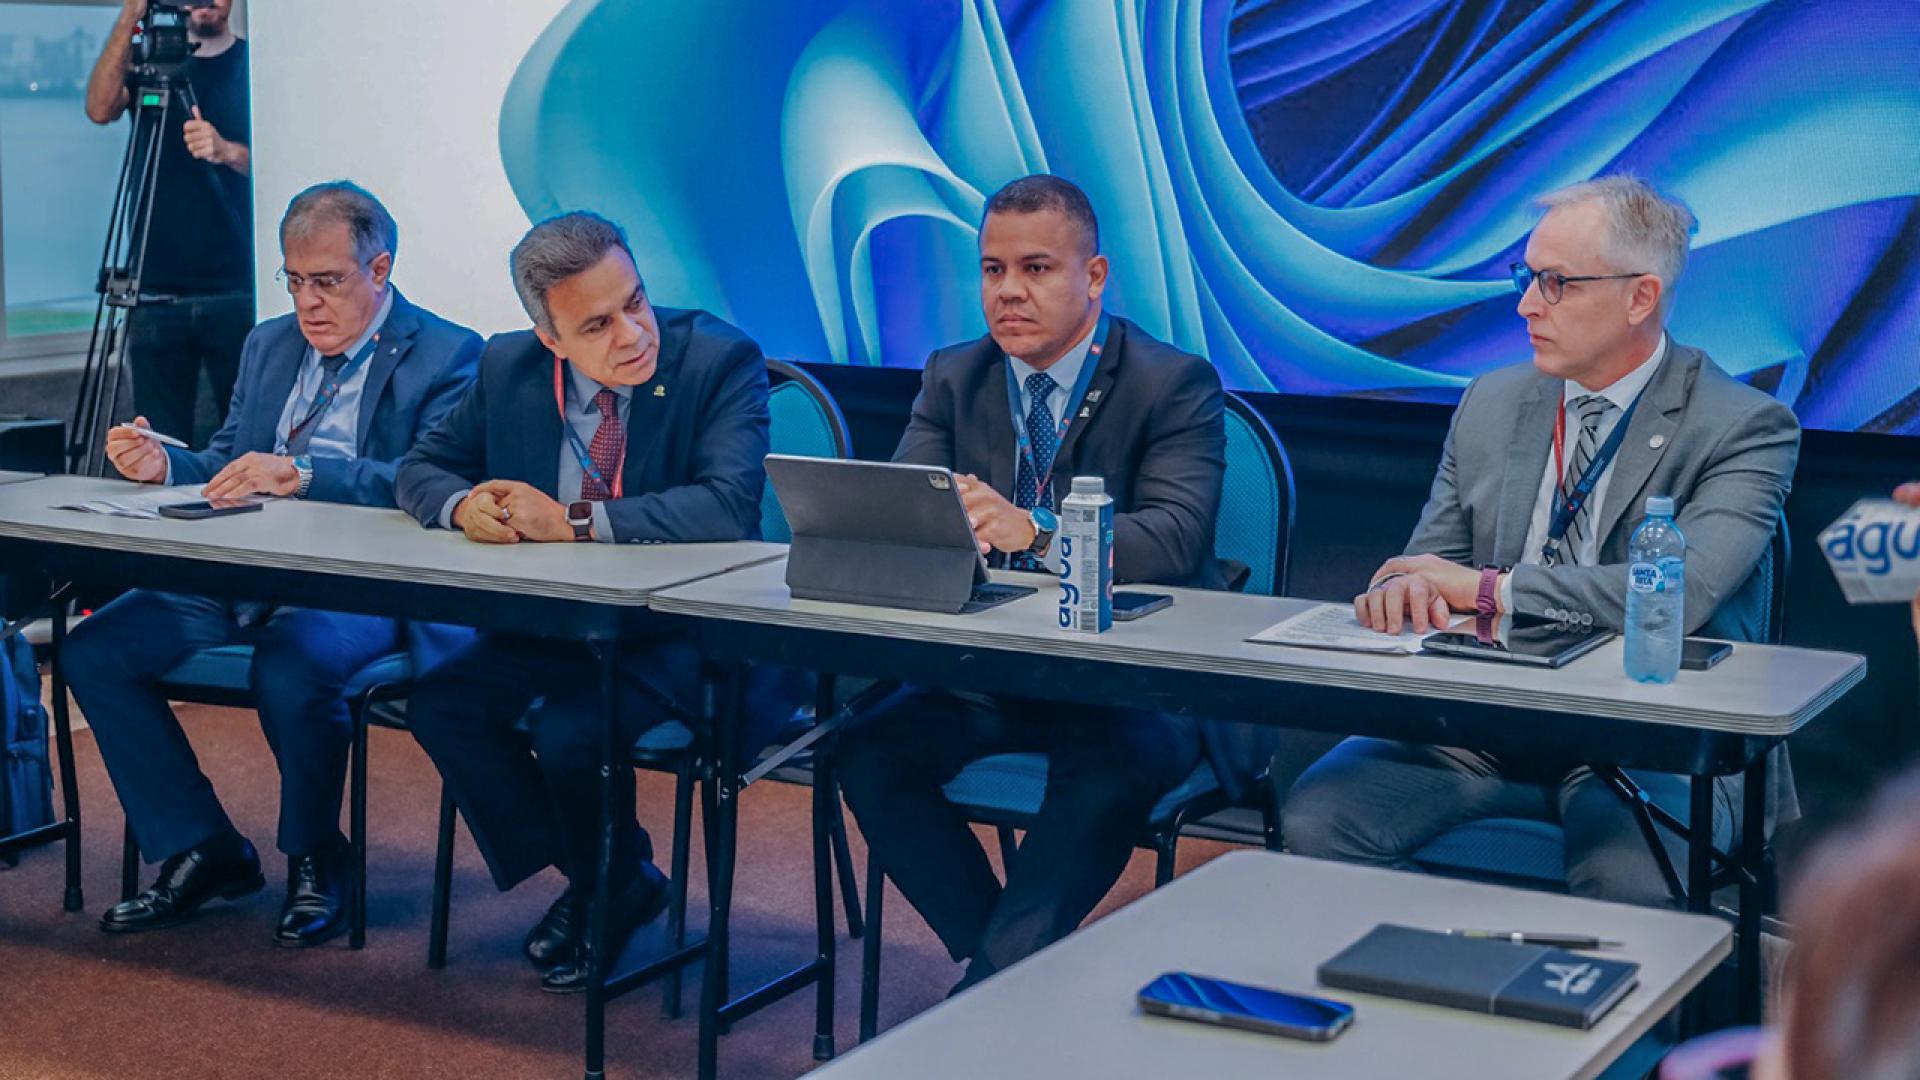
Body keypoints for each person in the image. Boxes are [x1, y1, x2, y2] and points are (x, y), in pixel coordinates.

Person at [1283, 175, 1802, 906]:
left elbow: (1676, 597)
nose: (1527, 304)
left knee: (1631, 879)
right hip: (1485, 722)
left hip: (1649, 736)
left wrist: (1493, 590)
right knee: (1317, 818)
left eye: (1556, 283)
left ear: (1640, 298)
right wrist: (1405, 591)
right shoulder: (1491, 402)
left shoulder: (1743, 425)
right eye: (1525, 277)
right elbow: (1431, 565)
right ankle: (1445, 996)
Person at [834, 174, 1228, 995]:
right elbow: (912, 511)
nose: (1008, 291)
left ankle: (990, 992)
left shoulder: (1173, 382)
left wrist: (1036, 531)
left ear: (1094, 277)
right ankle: (1007, 978)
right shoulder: (953, 375)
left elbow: (1177, 535)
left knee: (1108, 773)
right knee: (865, 753)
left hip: (1127, 684)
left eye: (1037, 268)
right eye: (991, 269)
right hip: (993, 670)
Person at [63, 181, 482, 945]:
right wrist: (167, 465)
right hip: (242, 568)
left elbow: (431, 480)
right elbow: (228, 460)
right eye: (293, 281)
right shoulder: (268, 343)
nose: (308, 302)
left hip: (356, 585)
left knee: (291, 669)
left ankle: (318, 855)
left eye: (328, 281)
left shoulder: (450, 354)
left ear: (381, 270)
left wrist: (310, 476)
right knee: (95, 649)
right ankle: (206, 846)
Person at [394, 212, 772, 993]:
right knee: (441, 706)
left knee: (572, 732)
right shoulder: (507, 368)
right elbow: (423, 466)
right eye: (597, 325)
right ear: (552, 340)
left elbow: (727, 507)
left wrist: (569, 521)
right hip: (554, 625)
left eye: (635, 302)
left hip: (677, 632)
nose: (633, 333)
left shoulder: (717, 359)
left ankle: (604, 887)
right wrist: (463, 505)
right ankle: (610, 878)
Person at [85, 0, 255, 449]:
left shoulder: (253, 64)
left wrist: (227, 152)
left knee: (249, 440)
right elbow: (100, 109)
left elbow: (288, 162)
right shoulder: (147, 63)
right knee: (159, 444)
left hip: (238, 288)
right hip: (156, 288)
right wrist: (129, 18)